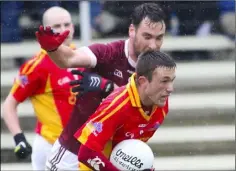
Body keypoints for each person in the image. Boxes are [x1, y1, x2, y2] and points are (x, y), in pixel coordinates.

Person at [36, 3, 166, 170]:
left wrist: (109, 87)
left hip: (110, 161)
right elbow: (68, 59)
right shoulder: (108, 53)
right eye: (147, 36)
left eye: (159, 38)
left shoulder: (157, 69)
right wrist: (52, 48)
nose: (153, 45)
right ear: (132, 30)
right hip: (72, 158)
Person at [1, 6, 111, 170]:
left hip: (81, 145)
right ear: (46, 31)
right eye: (57, 27)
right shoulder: (37, 66)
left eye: (67, 24)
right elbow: (9, 105)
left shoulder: (84, 57)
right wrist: (19, 138)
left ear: (73, 27)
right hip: (50, 146)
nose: (64, 30)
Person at [75, 50, 176, 171]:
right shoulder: (117, 106)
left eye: (172, 80)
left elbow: (130, 147)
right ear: (143, 81)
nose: (170, 88)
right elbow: (86, 153)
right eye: (164, 81)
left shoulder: (161, 105)